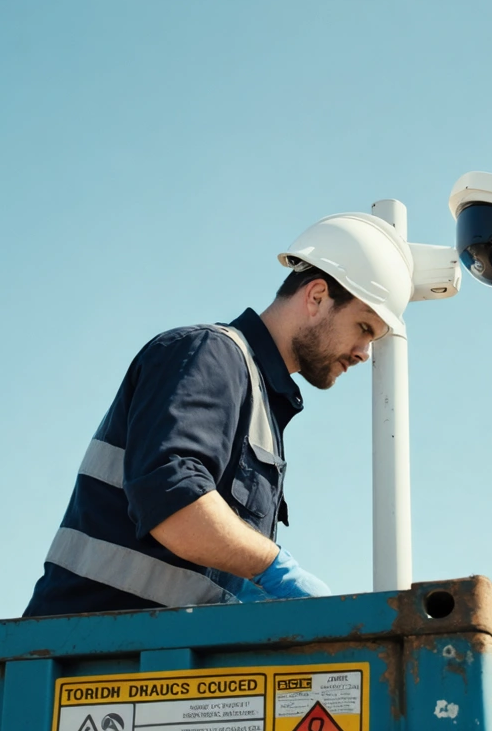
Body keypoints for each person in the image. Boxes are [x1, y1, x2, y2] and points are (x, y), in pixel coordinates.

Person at [23, 212, 414, 616]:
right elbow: (174, 502)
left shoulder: (259, 399)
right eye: (364, 328)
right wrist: (275, 569)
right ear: (316, 297)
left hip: (147, 661)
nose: (364, 352)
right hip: (77, 658)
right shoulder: (211, 355)